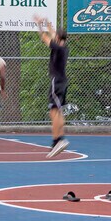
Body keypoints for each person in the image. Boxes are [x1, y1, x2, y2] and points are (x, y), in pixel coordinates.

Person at [34, 15, 70, 158]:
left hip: (57, 82)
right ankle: (58, 140)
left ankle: (58, 140)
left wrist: (39, 24)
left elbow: (44, 37)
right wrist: (48, 22)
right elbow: (54, 33)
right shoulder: (63, 47)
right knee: (56, 112)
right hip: (62, 81)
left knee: (54, 112)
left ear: (58, 39)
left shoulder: (57, 47)